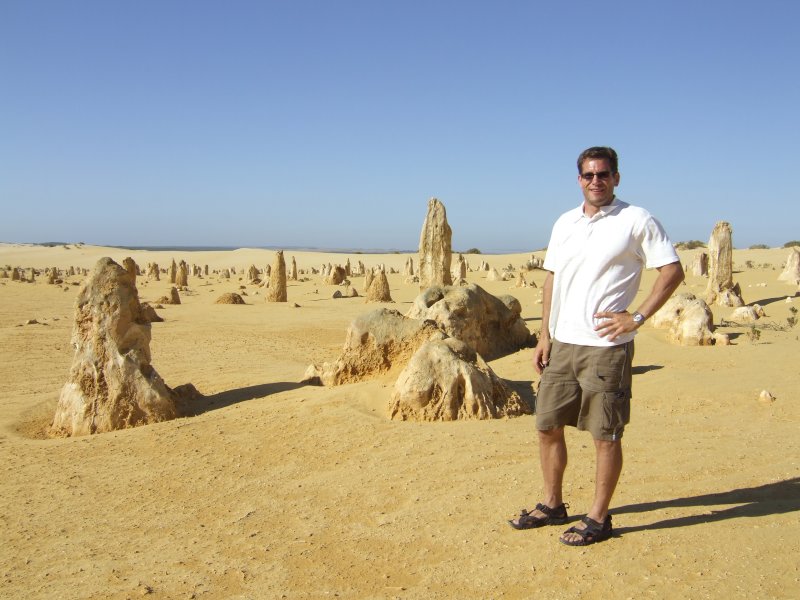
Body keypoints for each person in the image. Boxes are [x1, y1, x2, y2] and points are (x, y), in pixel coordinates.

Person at [509, 146, 685, 545]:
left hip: (607, 346)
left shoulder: (636, 220)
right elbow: (552, 279)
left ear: (616, 178)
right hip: (562, 344)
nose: (596, 181)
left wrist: (637, 317)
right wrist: (545, 334)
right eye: (588, 175)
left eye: (603, 174)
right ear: (579, 180)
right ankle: (553, 504)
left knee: (605, 434)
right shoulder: (565, 222)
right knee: (547, 426)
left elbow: (672, 271)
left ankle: (598, 517)